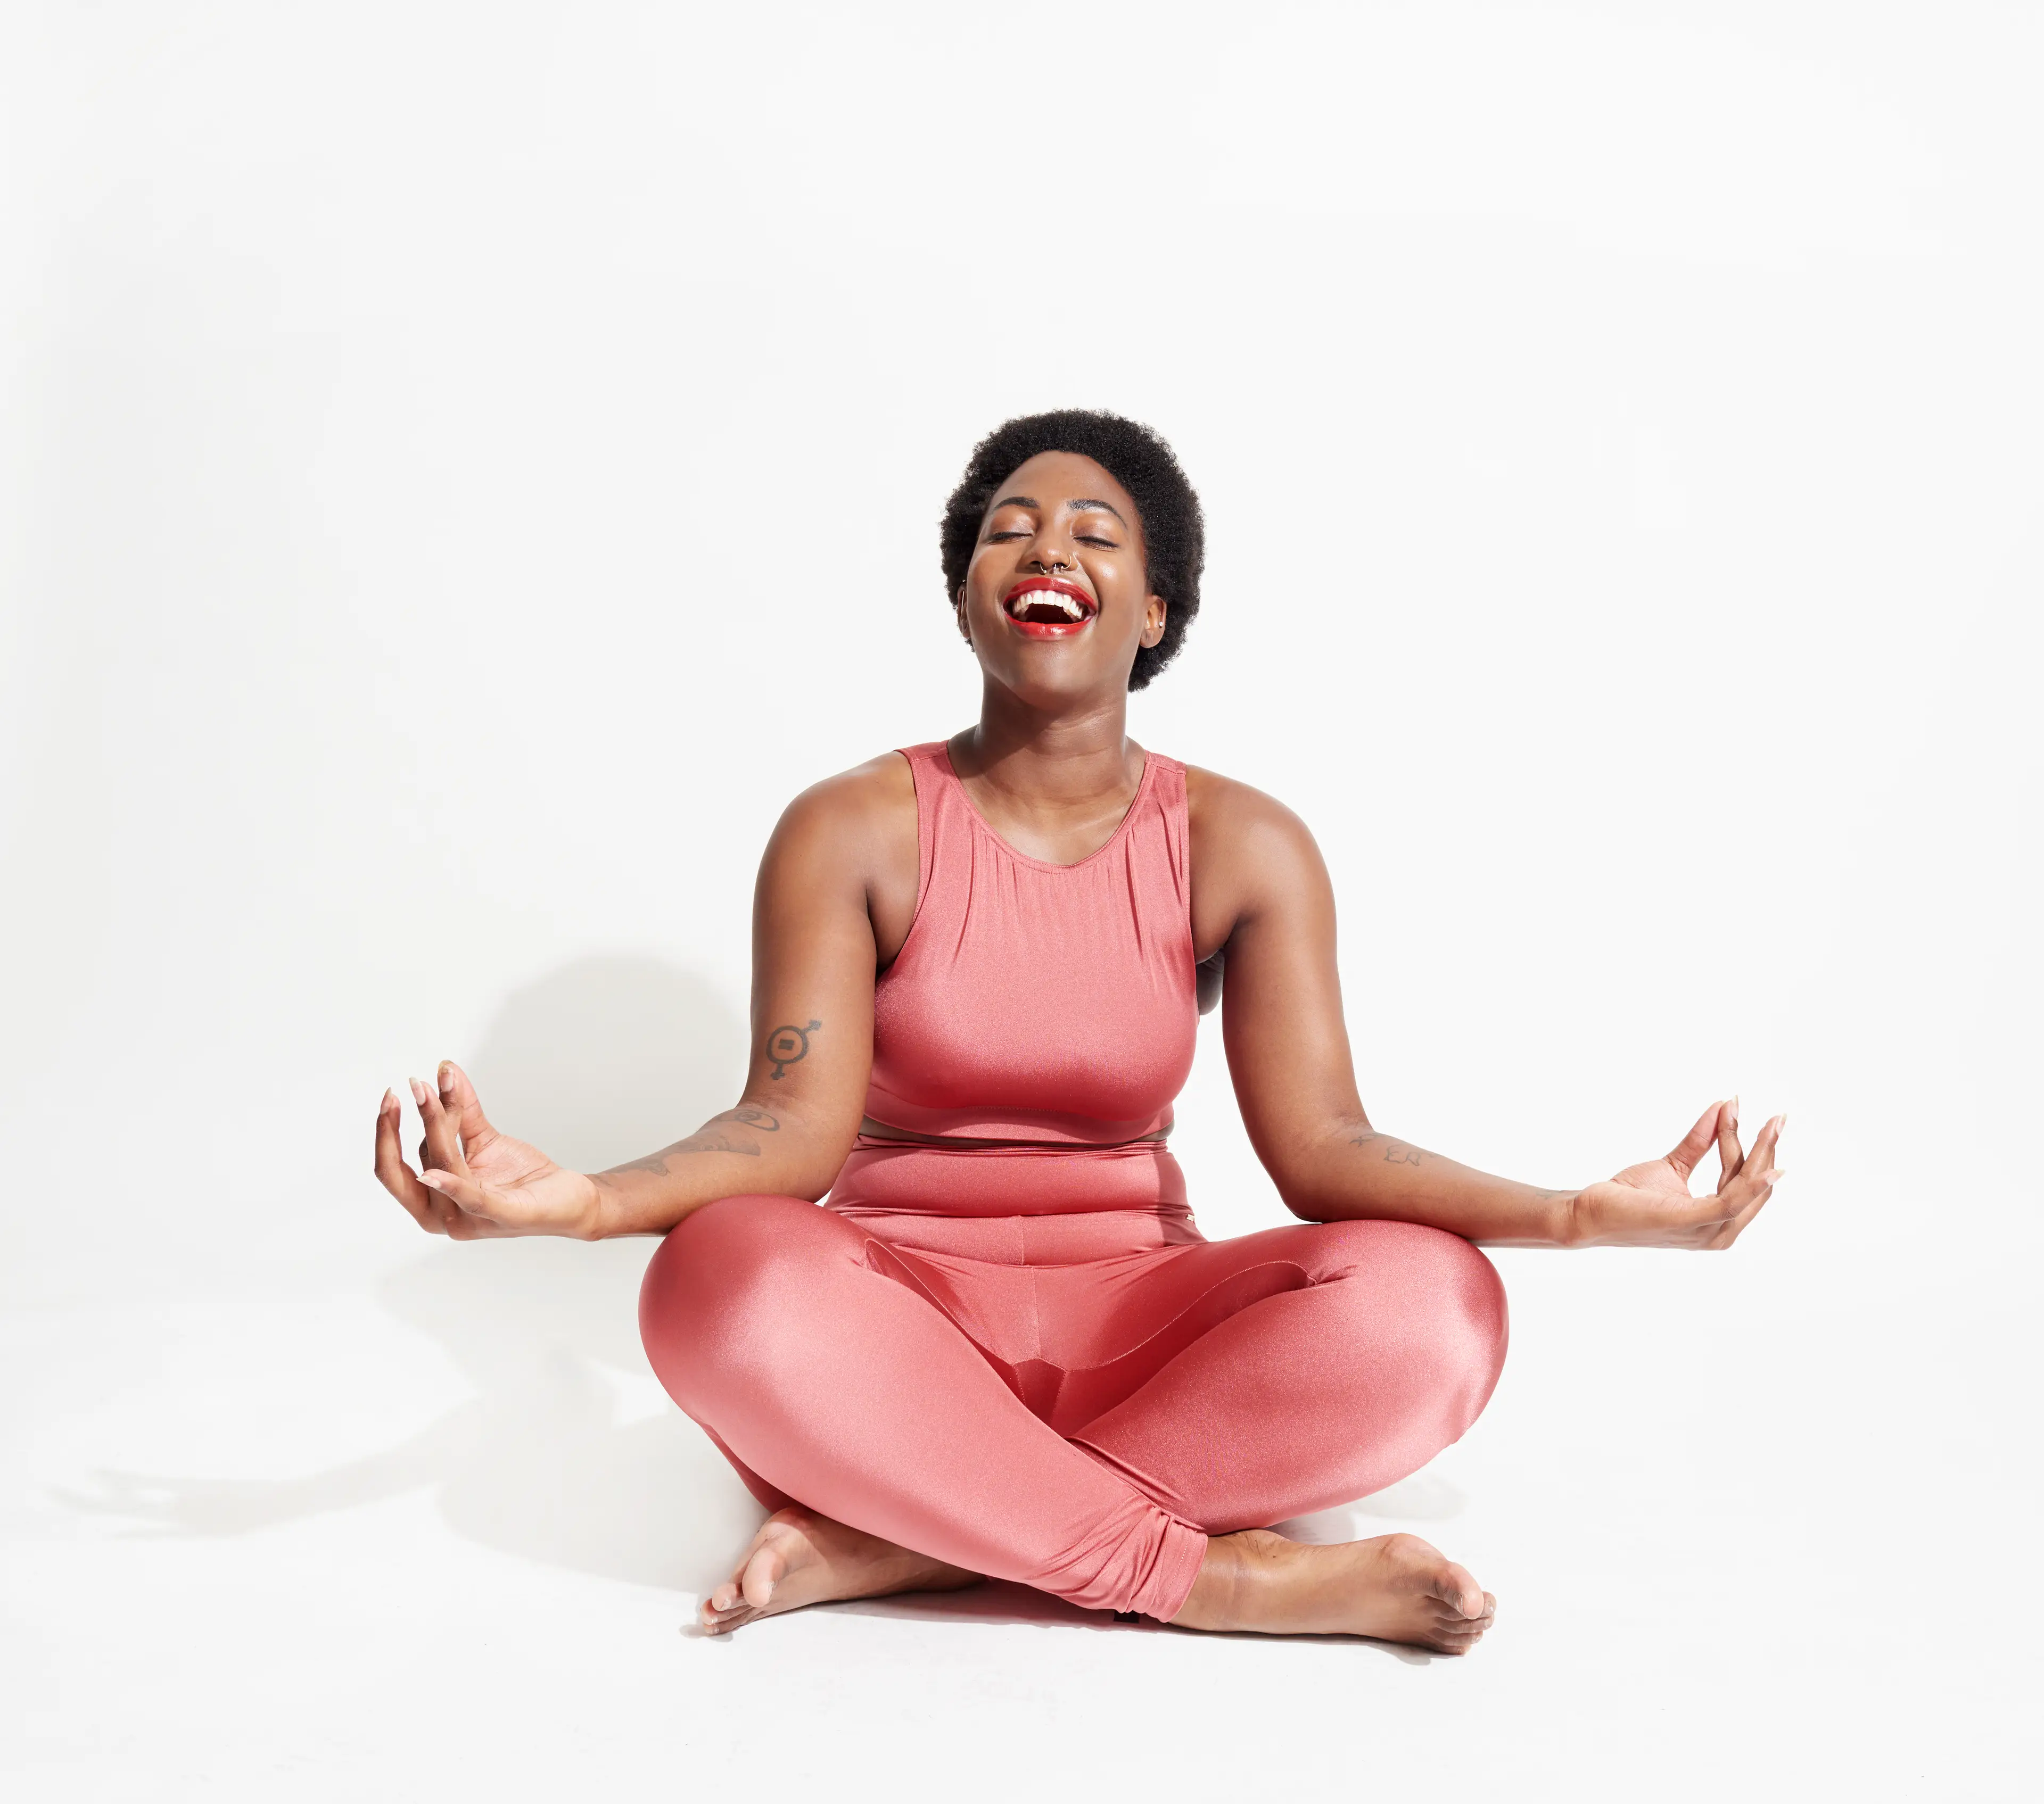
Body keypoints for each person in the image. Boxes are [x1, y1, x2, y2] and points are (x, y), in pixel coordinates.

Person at [372, 409, 1784, 1653]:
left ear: (1154, 611)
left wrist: (1574, 1214)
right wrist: (588, 1201)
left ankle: (919, 1538)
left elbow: (1327, 1148)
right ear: (969, 596)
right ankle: (1212, 1581)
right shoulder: (850, 828)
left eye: (1095, 533)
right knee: (714, 1275)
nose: (1049, 546)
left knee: (1439, 1308)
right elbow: (783, 1130)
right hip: (897, 1341)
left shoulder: (1245, 842)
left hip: (1146, 1333)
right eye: (1011, 529)